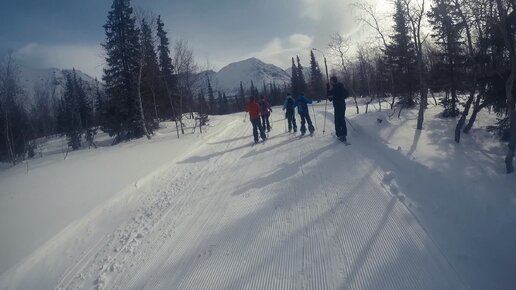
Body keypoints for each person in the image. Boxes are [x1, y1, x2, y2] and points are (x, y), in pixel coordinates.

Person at [327, 76, 349, 141]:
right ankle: (344, 134)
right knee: (342, 119)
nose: (330, 82)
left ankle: (339, 134)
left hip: (337, 106)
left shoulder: (334, 89)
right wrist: (341, 98)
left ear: (333, 81)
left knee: (337, 120)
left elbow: (329, 98)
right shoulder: (341, 86)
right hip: (342, 105)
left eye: (331, 81)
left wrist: (327, 87)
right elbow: (347, 94)